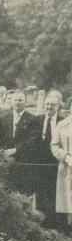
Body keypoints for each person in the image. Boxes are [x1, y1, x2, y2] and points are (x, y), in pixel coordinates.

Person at [34, 91, 67, 230]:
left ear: (58, 106)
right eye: (47, 104)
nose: (49, 107)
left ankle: (58, 225)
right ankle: (43, 224)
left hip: (57, 162)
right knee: (41, 192)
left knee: (57, 192)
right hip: (40, 163)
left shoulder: (64, 121)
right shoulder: (36, 120)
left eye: (52, 105)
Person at [0, 91, 39, 194]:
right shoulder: (3, 118)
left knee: (24, 191)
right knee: (7, 189)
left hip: (25, 160)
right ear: (11, 101)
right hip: (7, 160)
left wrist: (16, 150)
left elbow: (33, 139)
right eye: (15, 100)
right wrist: (4, 152)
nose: (17, 102)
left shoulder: (33, 119)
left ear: (25, 102)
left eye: (20, 100)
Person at [50, 96, 72, 229]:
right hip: (67, 166)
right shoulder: (62, 125)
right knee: (68, 196)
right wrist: (65, 157)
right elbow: (54, 145)